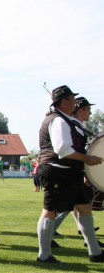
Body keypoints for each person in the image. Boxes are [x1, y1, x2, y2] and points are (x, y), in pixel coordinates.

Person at [36, 85, 103, 263]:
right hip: (57, 170)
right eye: (72, 99)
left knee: (84, 208)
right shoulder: (58, 120)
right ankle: (44, 255)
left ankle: (95, 252)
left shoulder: (65, 119)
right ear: (64, 102)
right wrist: (87, 159)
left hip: (69, 171)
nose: (75, 102)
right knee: (49, 211)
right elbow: (63, 150)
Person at [51, 96, 102, 244]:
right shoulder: (69, 125)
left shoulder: (75, 125)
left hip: (74, 173)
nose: (90, 114)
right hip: (67, 172)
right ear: (81, 110)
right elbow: (67, 150)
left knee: (80, 207)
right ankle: (48, 239)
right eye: (89, 110)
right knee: (59, 209)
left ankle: (91, 243)